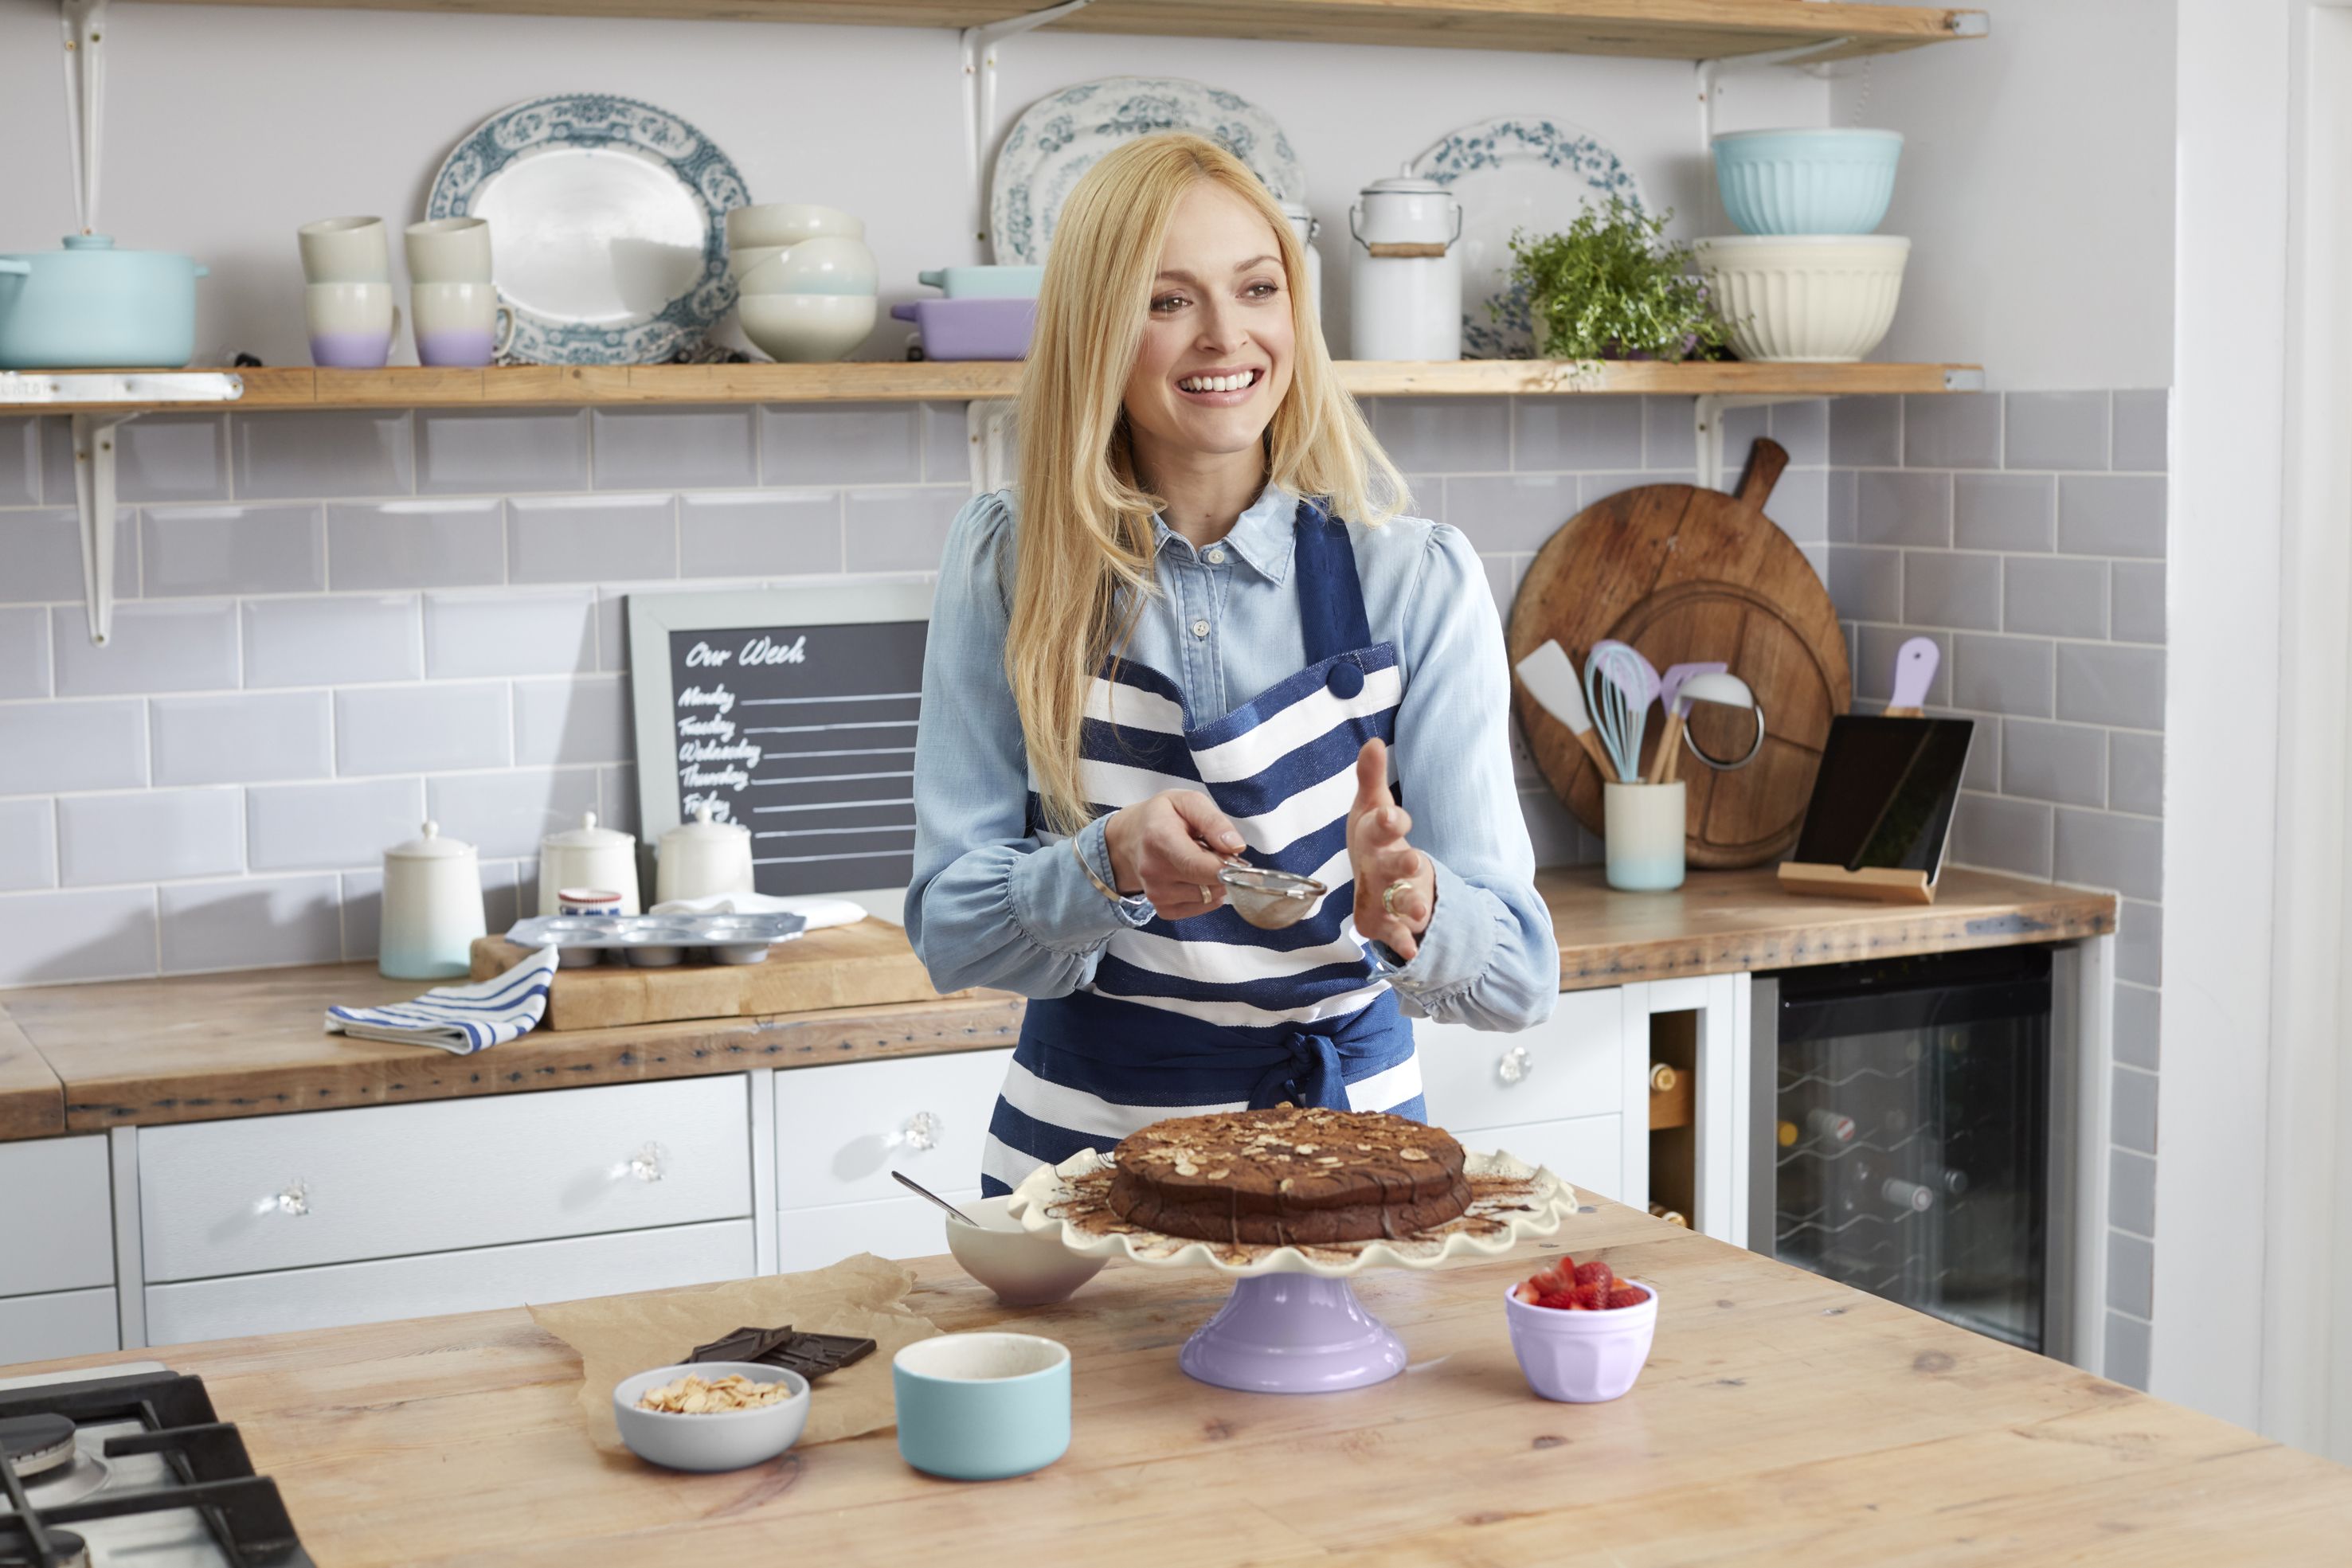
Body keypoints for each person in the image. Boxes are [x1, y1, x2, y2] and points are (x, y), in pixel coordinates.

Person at [906, 132, 1557, 1197]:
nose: (1226, 336)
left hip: (1358, 1173)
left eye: (1257, 289)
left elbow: (1521, 977)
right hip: (1081, 1184)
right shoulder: (1007, 565)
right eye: (1166, 302)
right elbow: (949, 931)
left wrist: (1416, 903)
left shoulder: (1413, 578)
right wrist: (1105, 861)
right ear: (1094, 332)